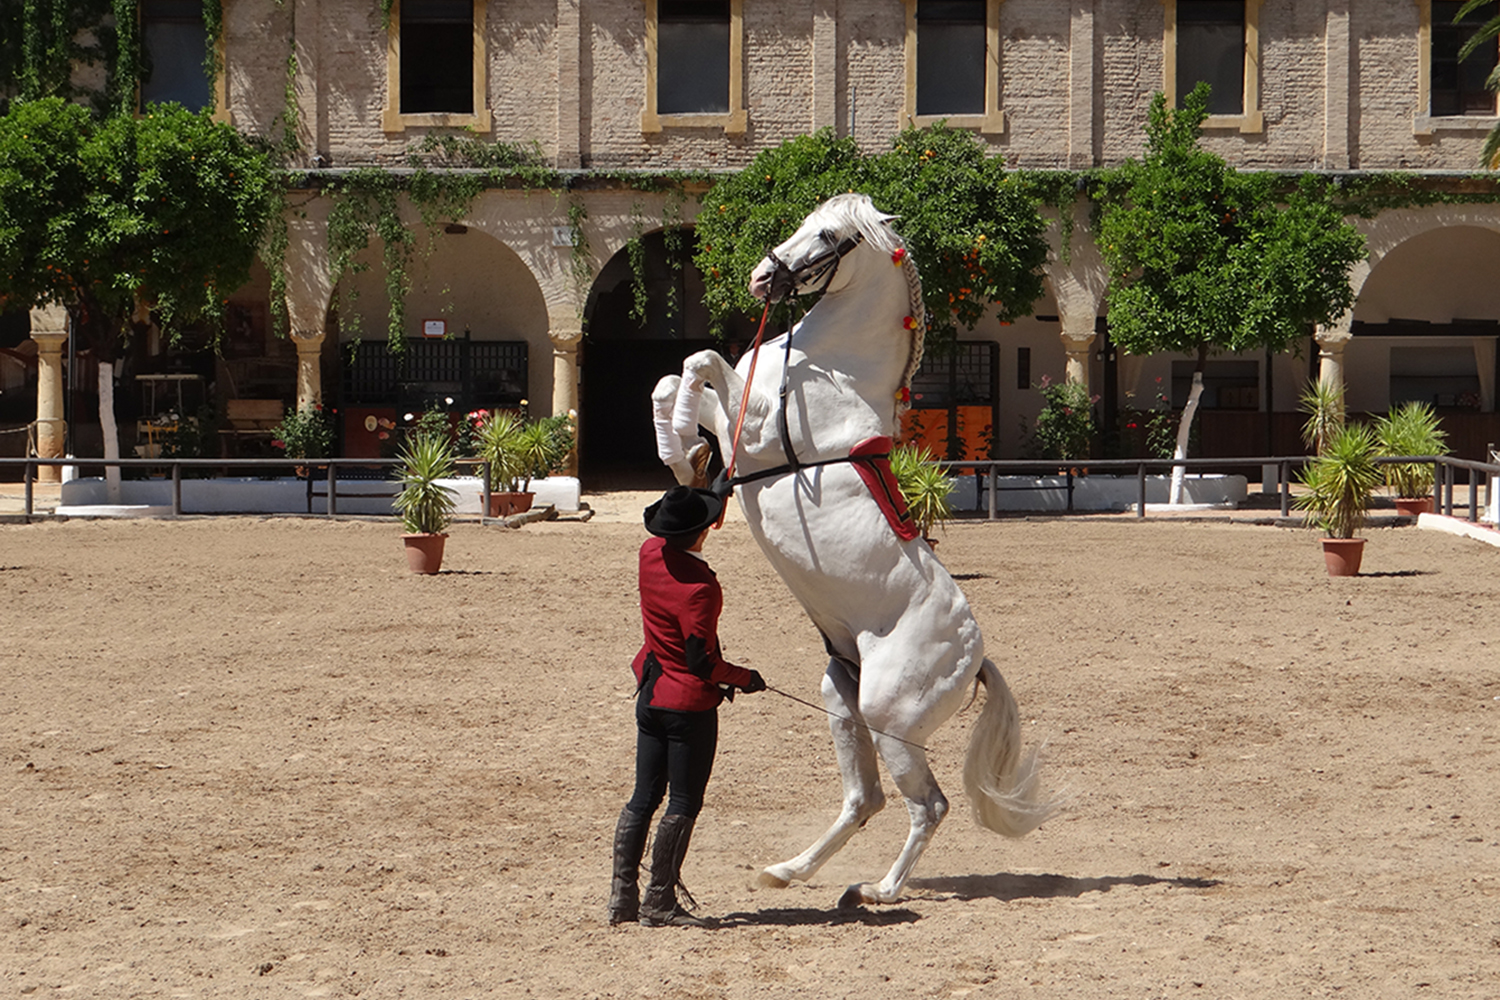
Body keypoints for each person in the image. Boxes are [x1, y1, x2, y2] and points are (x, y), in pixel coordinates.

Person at [608, 485, 766, 928]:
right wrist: (745, 679)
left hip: (651, 692)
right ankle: (658, 901)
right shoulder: (701, 588)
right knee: (682, 802)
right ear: (702, 532)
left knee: (643, 798)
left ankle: (622, 898)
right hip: (688, 706)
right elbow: (702, 661)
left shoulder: (648, 553)